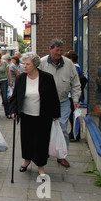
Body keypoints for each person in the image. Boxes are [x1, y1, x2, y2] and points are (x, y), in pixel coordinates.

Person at [9, 52, 60, 176]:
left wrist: (55, 113)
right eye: (23, 64)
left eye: (28, 64)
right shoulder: (21, 78)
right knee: (26, 140)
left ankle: (41, 166)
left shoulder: (47, 78)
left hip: (43, 115)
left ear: (35, 64)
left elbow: (54, 96)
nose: (24, 66)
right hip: (26, 115)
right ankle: (26, 161)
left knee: (41, 141)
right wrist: (13, 111)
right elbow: (15, 97)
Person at [40, 39, 81, 168]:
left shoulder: (68, 64)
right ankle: (45, 152)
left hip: (63, 102)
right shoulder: (42, 63)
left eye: (61, 50)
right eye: (57, 50)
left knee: (62, 128)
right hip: (45, 103)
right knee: (45, 128)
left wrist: (75, 99)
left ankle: (62, 156)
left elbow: (75, 83)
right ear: (50, 49)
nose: (59, 53)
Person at [64, 50, 83, 142]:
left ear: (70, 59)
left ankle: (75, 134)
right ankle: (74, 133)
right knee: (72, 116)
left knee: (72, 116)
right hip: (72, 95)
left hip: (71, 95)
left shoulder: (74, 67)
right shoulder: (77, 67)